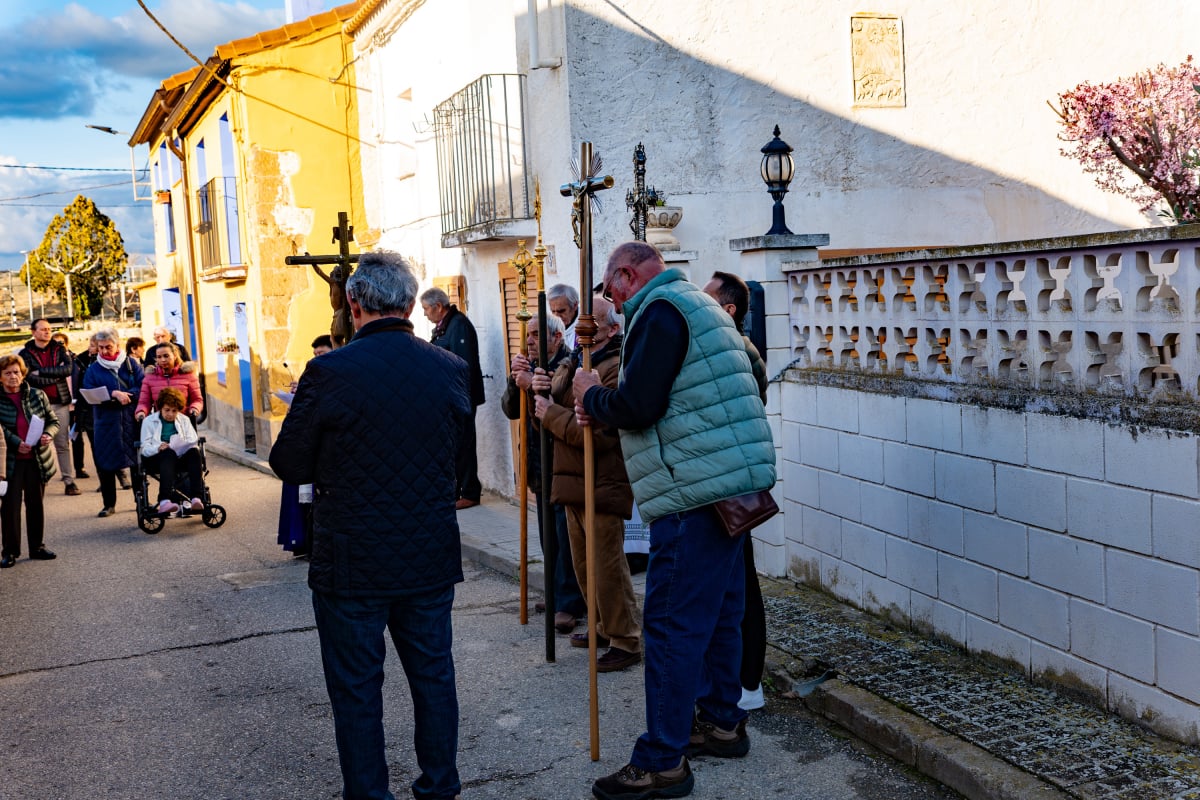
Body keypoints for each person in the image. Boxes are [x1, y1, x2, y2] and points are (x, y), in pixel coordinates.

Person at [575, 242, 776, 800]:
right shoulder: (701, 304)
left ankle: (662, 760)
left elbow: (640, 406)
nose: (609, 302)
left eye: (611, 288)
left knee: (670, 623)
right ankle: (720, 720)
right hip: (732, 480)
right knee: (719, 612)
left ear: (625, 275)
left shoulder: (661, 311)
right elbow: (754, 369)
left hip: (695, 489)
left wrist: (593, 397)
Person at [270, 251, 469, 800]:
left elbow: (289, 463)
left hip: (352, 560)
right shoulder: (448, 367)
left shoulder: (329, 371)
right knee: (434, 678)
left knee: (357, 689)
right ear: (409, 304)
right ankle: (440, 787)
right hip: (427, 553)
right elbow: (462, 460)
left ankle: (368, 794)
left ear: (354, 304)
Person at [533, 294, 642, 672]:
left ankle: (625, 637)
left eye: (592, 322)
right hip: (571, 480)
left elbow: (597, 434)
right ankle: (601, 627)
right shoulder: (573, 362)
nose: (584, 328)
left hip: (601, 479)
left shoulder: (613, 368)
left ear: (612, 328)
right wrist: (537, 390)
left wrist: (549, 414)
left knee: (607, 565)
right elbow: (547, 416)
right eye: (581, 321)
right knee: (583, 566)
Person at [703, 270, 769, 713]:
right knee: (734, 583)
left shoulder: (738, 351)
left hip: (731, 484)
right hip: (725, 479)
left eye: (706, 300)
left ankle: (748, 680)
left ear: (728, 310)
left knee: (740, 584)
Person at [500, 313, 587, 633]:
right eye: (528, 334)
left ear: (557, 338)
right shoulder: (529, 368)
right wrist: (515, 380)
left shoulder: (568, 366)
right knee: (548, 536)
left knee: (566, 539)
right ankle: (554, 593)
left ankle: (569, 602)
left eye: (537, 334)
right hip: (538, 466)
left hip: (563, 466)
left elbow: (552, 406)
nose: (530, 340)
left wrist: (532, 386)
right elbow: (511, 409)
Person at [420, 286, 485, 510]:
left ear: (438, 307)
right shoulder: (445, 326)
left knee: (465, 444)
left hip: (462, 397)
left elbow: (462, 364)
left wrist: (459, 398)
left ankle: (470, 492)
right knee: (455, 445)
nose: (425, 314)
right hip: (451, 397)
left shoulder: (459, 326)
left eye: (427, 309)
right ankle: (458, 490)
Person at [0, 354, 57, 568]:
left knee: (36, 504)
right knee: (10, 507)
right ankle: (10, 551)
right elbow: (0, 430)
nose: (13, 377)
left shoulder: (37, 395)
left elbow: (53, 419)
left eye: (16, 372)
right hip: (10, 461)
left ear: (23, 374)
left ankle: (37, 547)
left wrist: (49, 434)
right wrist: (16, 442)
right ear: (0, 377)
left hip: (37, 459)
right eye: (7, 373)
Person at [83, 327, 145, 518]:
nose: (103, 351)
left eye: (108, 347)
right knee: (106, 463)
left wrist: (128, 394)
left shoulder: (131, 364)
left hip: (130, 419)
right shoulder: (93, 369)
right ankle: (108, 504)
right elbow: (88, 390)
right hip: (106, 422)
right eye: (100, 347)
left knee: (136, 464)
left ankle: (140, 501)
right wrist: (113, 394)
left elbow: (143, 385)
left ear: (117, 345)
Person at [20, 318, 79, 496]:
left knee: (62, 443)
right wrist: (55, 373)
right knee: (38, 444)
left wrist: (43, 372)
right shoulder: (26, 353)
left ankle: (69, 481)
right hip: (36, 405)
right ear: (33, 332)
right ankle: (39, 481)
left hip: (60, 402)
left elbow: (68, 369)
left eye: (49, 329)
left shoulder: (59, 348)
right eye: (43, 329)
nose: (47, 332)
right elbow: (29, 377)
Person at [139, 386, 203, 516]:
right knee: (168, 454)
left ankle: (196, 497)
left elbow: (193, 439)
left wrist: (183, 444)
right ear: (160, 408)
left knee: (194, 453)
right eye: (167, 410)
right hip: (156, 459)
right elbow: (144, 448)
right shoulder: (149, 421)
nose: (170, 414)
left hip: (179, 456)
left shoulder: (184, 420)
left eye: (174, 411)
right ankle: (164, 501)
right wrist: (158, 447)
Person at [133, 342, 204, 425]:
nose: (163, 360)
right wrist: (141, 412)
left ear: (174, 355)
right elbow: (144, 402)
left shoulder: (188, 375)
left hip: (184, 423)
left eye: (166, 356)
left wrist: (194, 409)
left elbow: (197, 400)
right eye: (159, 357)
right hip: (160, 424)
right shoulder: (150, 378)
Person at [548, 283, 580, 350]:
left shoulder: (586, 325)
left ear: (575, 306)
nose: (556, 316)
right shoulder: (549, 327)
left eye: (561, 311)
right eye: (553, 311)